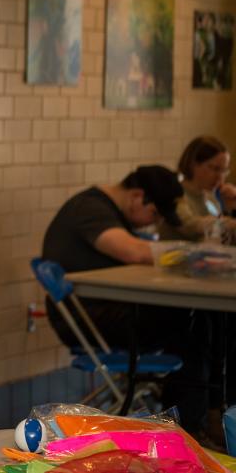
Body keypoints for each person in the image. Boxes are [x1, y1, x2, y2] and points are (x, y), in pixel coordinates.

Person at [40, 166, 211, 436]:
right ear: (137, 196)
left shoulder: (103, 210)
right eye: (153, 213)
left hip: (100, 314)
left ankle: (189, 420)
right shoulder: (91, 210)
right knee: (196, 321)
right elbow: (134, 251)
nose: (152, 223)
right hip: (89, 321)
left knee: (198, 320)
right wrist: (191, 254)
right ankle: (187, 427)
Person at [162, 136, 236, 243]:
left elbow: (221, 238)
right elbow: (190, 225)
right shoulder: (173, 193)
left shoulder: (211, 197)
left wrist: (231, 209)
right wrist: (229, 223)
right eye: (215, 169)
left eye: (224, 171)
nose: (220, 177)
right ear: (193, 164)